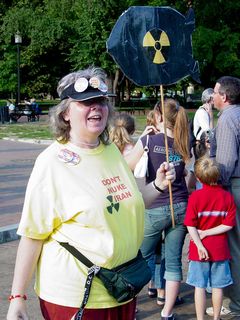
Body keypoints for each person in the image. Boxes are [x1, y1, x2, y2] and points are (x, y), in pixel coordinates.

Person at [7, 66, 176, 320]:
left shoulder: (110, 152)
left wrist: (158, 185)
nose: (96, 107)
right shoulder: (52, 162)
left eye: (100, 101)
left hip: (123, 287)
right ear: (65, 113)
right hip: (76, 298)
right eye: (85, 102)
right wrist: (17, 297)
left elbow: (127, 201)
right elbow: (32, 235)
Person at [126, 99, 190, 320]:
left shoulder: (148, 139)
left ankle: (131, 308)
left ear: (159, 116)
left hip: (155, 205)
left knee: (139, 259)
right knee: (173, 261)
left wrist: (142, 138)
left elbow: (126, 166)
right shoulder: (184, 141)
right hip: (181, 205)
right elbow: (186, 177)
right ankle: (167, 312)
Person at [184, 156, 236, 320]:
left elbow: (190, 225)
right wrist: (209, 232)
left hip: (198, 249)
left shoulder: (195, 197)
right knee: (218, 286)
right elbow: (229, 225)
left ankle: (200, 318)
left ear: (198, 178)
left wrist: (200, 243)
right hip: (220, 249)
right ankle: (216, 318)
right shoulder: (227, 197)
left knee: (199, 286)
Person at [206, 76, 240, 318]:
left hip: (235, 187)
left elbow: (225, 166)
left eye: (215, 93)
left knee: (235, 249)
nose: (212, 97)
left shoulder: (228, 119)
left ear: (224, 97)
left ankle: (237, 305)